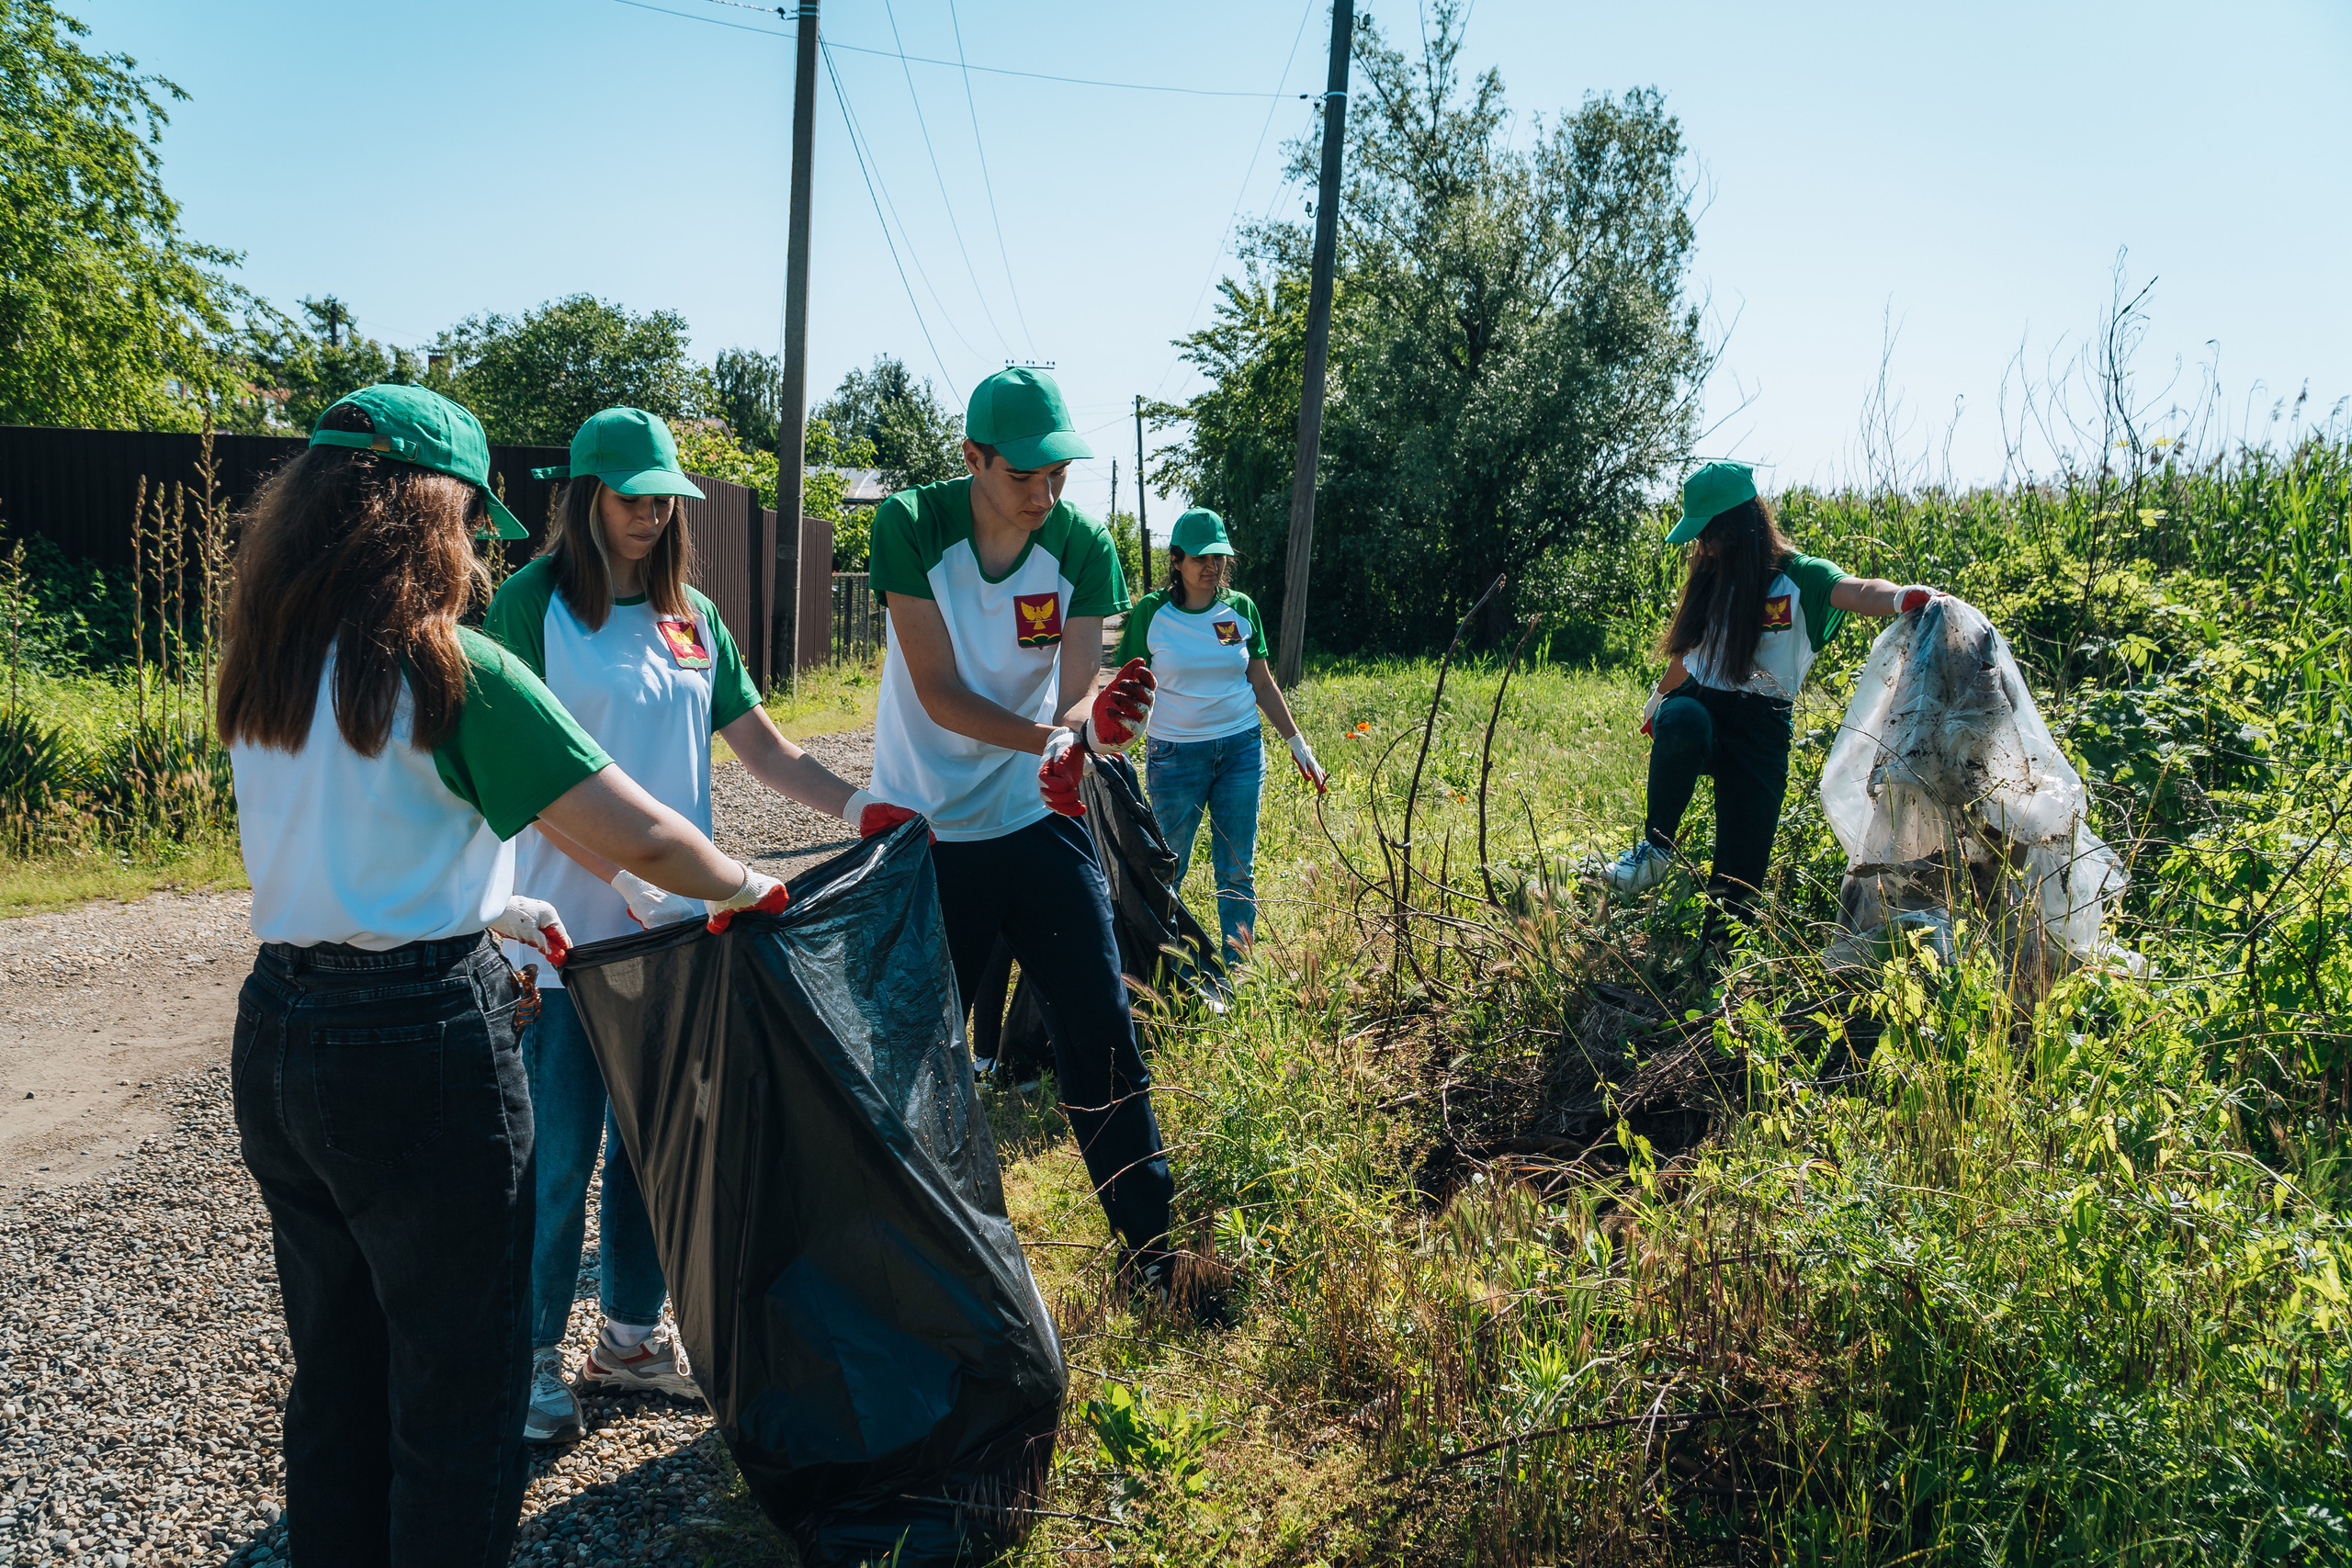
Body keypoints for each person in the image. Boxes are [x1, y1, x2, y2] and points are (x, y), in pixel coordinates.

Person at [217, 385, 786, 1567]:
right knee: (460, 1392)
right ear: (427, 515)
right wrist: (744, 885)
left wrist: (497, 903)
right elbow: (641, 834)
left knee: (337, 1370)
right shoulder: (450, 667)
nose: (480, 549)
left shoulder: (264, 662)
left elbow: (354, 833)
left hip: (279, 1029)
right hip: (418, 1038)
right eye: (473, 520)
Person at [487, 406, 910, 1444]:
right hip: (567, 943)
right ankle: (527, 1359)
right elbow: (524, 777)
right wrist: (624, 877)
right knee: (558, 1160)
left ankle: (630, 1337)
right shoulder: (531, 606)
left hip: (679, 934)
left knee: (656, 1153)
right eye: (632, 497)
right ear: (586, 496)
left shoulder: (692, 618)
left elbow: (763, 749)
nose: (650, 515)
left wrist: (857, 806)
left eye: (663, 499)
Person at [867, 366, 1221, 1320]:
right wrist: (1055, 741)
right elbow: (940, 693)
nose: (1044, 495)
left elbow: (1075, 699)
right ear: (972, 458)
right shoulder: (909, 526)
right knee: (911, 1061)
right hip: (924, 831)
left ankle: (1155, 1260)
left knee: (1102, 1030)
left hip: (1037, 817)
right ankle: (902, 1277)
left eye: (1057, 475)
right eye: (1023, 475)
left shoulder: (1082, 546)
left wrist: (1087, 728)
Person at [1604, 460, 1935, 917]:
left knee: (1737, 892)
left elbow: (1857, 590)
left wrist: (1902, 597)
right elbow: (1689, 655)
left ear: (1741, 524)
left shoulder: (1798, 576)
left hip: (1762, 730)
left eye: (1709, 533)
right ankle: (1656, 852)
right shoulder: (1711, 577)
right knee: (1680, 719)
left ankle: (1717, 953)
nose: (1704, 545)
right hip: (1703, 707)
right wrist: (1658, 700)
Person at [1113, 507, 1325, 970]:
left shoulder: (1241, 609)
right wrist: (1111, 745)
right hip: (1175, 758)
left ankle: (1238, 972)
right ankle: (1160, 970)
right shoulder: (1152, 613)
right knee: (1168, 866)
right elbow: (1126, 686)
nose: (1212, 567)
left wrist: (1298, 743)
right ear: (1176, 560)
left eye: (1219, 557)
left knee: (1237, 868)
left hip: (1241, 752)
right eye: (1200, 558)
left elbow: (1261, 683)